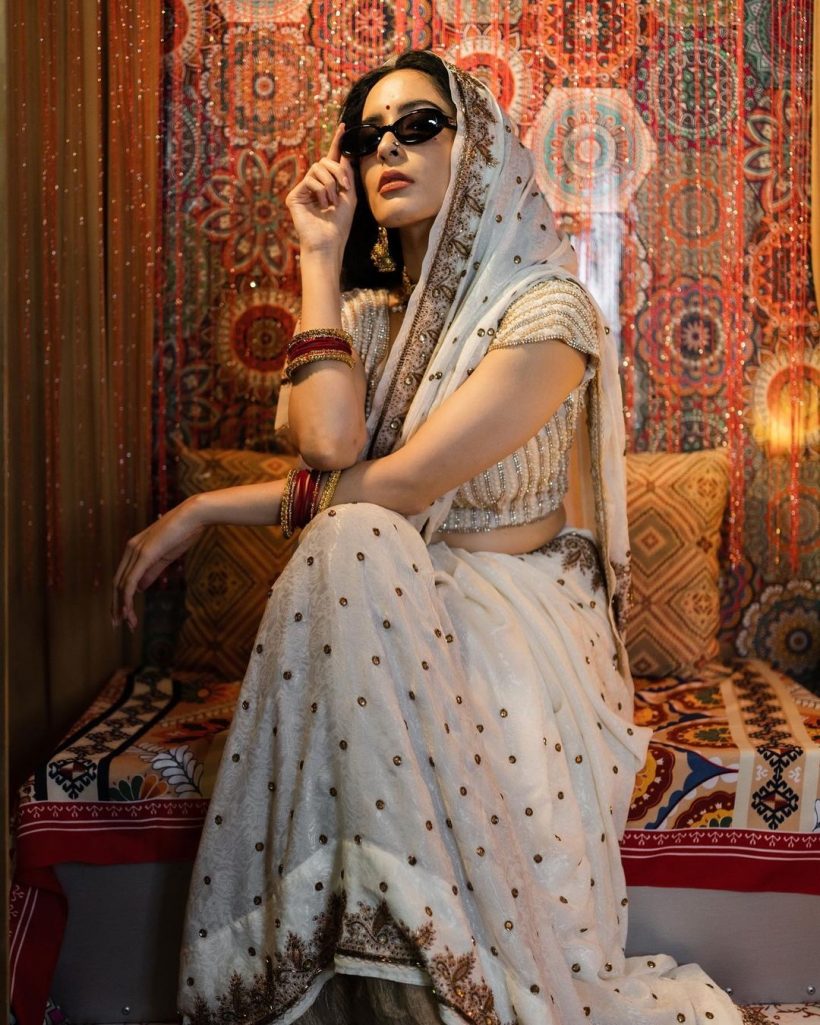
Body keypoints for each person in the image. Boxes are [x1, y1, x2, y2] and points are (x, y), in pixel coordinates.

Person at [113, 50, 756, 1025]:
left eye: (418, 125)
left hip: (518, 616)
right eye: (368, 134)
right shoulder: (364, 318)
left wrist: (205, 508)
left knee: (356, 537)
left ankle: (429, 995)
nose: (387, 149)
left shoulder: (547, 309)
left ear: (480, 150)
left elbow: (409, 482)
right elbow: (328, 444)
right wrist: (317, 258)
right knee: (353, 544)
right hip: (386, 592)